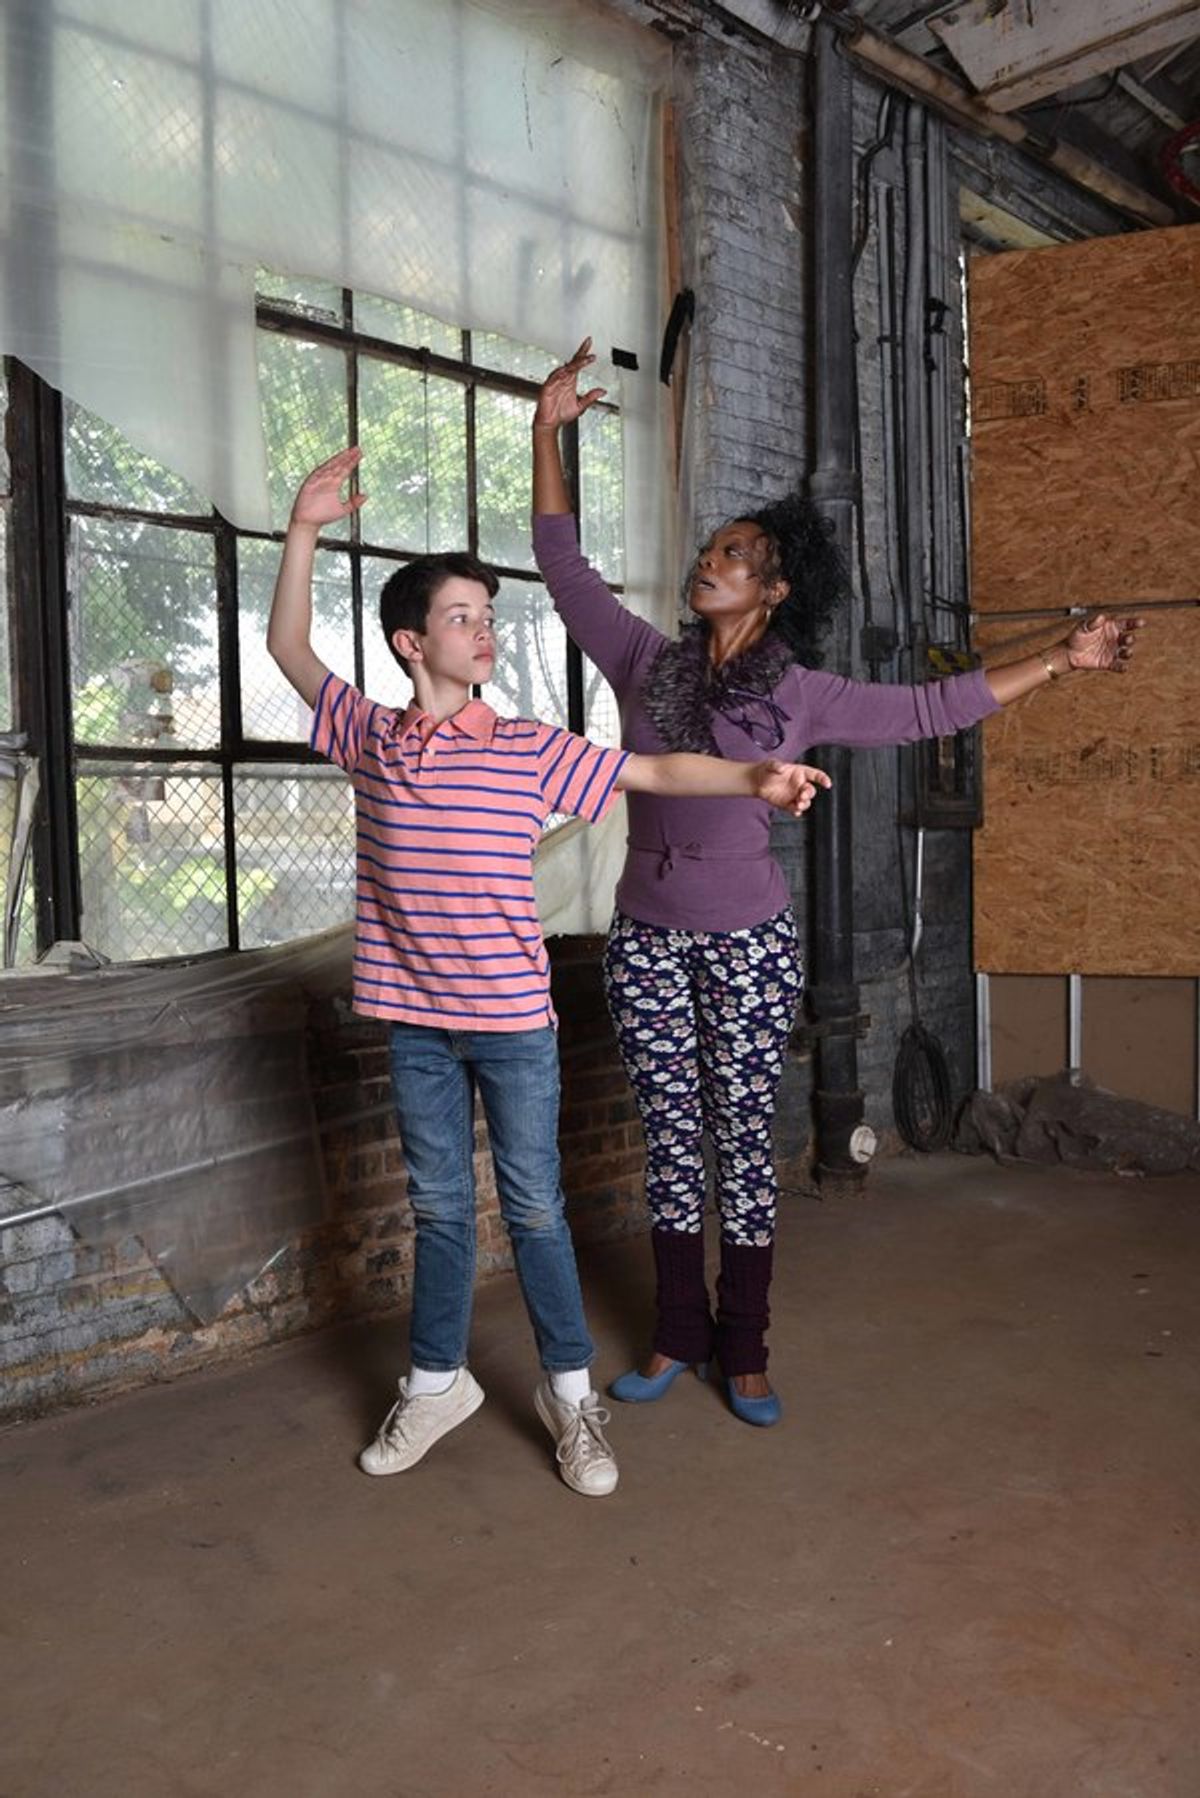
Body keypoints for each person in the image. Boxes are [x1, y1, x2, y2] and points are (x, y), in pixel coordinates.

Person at [531, 338, 1144, 1428]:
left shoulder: (803, 693)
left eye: (732, 554)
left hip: (747, 941)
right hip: (647, 935)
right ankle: (677, 1333)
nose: (707, 562)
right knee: (670, 1140)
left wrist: (1061, 657)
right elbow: (563, 569)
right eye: (709, 549)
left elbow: (929, 710)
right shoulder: (644, 662)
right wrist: (546, 431)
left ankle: (745, 1348)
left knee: (741, 1136)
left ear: (772, 589)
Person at [267, 447, 834, 1497]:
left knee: (533, 1210)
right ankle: (435, 1382)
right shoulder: (370, 737)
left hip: (515, 1026)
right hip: (414, 1024)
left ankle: (572, 1400)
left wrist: (754, 775)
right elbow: (289, 647)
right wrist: (303, 529)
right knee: (440, 1210)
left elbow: (652, 767)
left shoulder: (527, 747)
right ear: (411, 643)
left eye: (488, 614)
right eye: (462, 617)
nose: (483, 630)